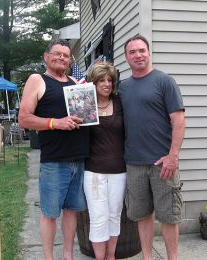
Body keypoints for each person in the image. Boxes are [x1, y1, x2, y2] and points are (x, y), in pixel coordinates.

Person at [18, 39, 89, 260]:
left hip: (79, 158)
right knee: (50, 214)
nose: (61, 58)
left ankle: (68, 255)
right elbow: (24, 119)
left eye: (66, 55)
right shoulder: (37, 80)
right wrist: (54, 123)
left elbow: (85, 116)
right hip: (54, 160)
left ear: (70, 60)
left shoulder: (75, 82)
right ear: (46, 56)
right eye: (57, 53)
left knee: (71, 211)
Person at [119, 35, 185, 260]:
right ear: (126, 57)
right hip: (134, 163)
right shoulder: (123, 88)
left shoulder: (165, 81)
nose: (137, 55)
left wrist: (172, 156)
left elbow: (178, 120)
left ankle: (172, 258)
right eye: (132, 52)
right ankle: (147, 256)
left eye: (141, 50)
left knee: (169, 216)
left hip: (162, 163)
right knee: (141, 215)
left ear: (149, 52)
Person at [84, 61, 126, 260]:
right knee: (98, 217)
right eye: (101, 80)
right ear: (93, 82)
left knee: (114, 216)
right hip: (93, 171)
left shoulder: (119, 102)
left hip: (119, 170)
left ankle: (111, 256)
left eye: (109, 80)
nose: (107, 84)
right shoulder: (85, 104)